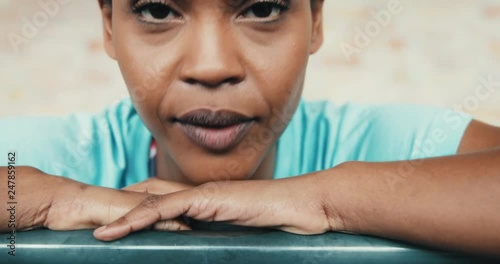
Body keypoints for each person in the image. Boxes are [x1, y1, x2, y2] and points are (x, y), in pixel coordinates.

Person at [1, 0, 499, 258]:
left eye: (262, 7)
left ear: (316, 20)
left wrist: (324, 199)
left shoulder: (388, 150)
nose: (212, 66)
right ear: (109, 26)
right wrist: (50, 201)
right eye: (157, 10)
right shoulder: (56, 163)